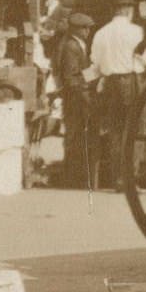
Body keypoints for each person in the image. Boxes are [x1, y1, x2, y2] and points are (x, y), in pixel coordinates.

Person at [90, 0, 146, 190]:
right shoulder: (137, 32)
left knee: (115, 132)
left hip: (111, 84)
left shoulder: (101, 33)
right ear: (129, 9)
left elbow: (95, 64)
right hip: (132, 81)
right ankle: (131, 179)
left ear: (113, 9)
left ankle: (118, 180)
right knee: (135, 131)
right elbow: (145, 60)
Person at [56, 12, 96, 189]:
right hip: (75, 98)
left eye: (88, 28)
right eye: (84, 28)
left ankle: (76, 176)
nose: (87, 31)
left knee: (78, 136)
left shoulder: (78, 44)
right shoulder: (71, 46)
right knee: (74, 136)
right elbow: (71, 77)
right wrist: (88, 87)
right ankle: (72, 177)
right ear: (75, 29)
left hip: (78, 95)